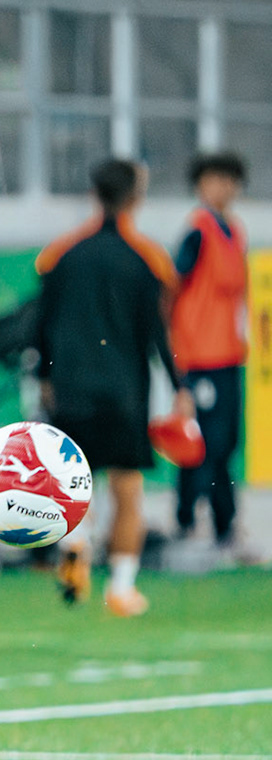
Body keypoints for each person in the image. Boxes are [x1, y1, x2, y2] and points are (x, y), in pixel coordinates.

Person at [37, 160, 195, 618]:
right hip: (125, 390)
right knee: (126, 490)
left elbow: (42, 325)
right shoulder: (146, 259)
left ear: (94, 192)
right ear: (136, 197)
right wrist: (178, 385)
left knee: (72, 484)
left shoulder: (62, 255)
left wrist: (45, 378)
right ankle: (122, 590)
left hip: (71, 389)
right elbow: (157, 332)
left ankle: (76, 546)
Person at [170, 152, 253, 562]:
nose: (224, 187)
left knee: (225, 446)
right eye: (215, 179)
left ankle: (224, 527)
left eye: (230, 179)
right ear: (201, 185)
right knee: (201, 445)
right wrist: (176, 357)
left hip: (228, 358)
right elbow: (171, 286)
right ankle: (187, 523)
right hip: (199, 357)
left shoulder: (234, 231)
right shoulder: (197, 232)